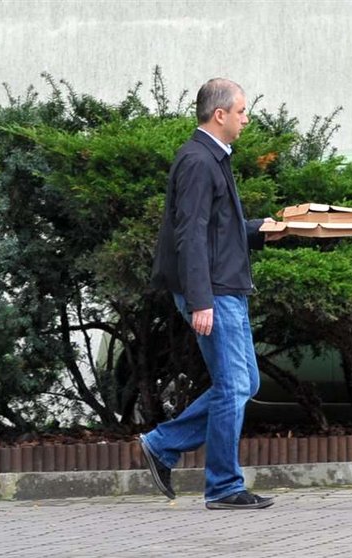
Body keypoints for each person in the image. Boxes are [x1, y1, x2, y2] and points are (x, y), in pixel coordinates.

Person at [141, 78, 286, 510]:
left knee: (244, 383)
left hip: (226, 289)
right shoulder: (198, 162)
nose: (246, 118)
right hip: (214, 294)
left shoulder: (212, 158)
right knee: (231, 386)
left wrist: (264, 230)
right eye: (241, 111)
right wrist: (200, 299)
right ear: (219, 115)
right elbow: (189, 237)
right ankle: (223, 486)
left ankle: (162, 444)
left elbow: (218, 233)